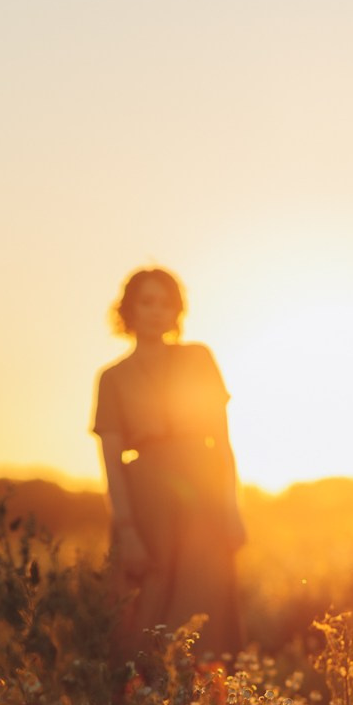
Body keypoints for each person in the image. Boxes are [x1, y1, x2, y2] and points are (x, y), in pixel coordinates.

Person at [92, 265, 245, 666]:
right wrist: (127, 530)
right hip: (146, 507)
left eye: (166, 303)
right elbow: (110, 461)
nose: (157, 311)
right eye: (147, 302)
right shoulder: (112, 377)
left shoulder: (199, 358)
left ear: (177, 311)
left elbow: (223, 444)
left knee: (207, 612)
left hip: (204, 501)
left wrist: (231, 509)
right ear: (129, 310)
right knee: (145, 616)